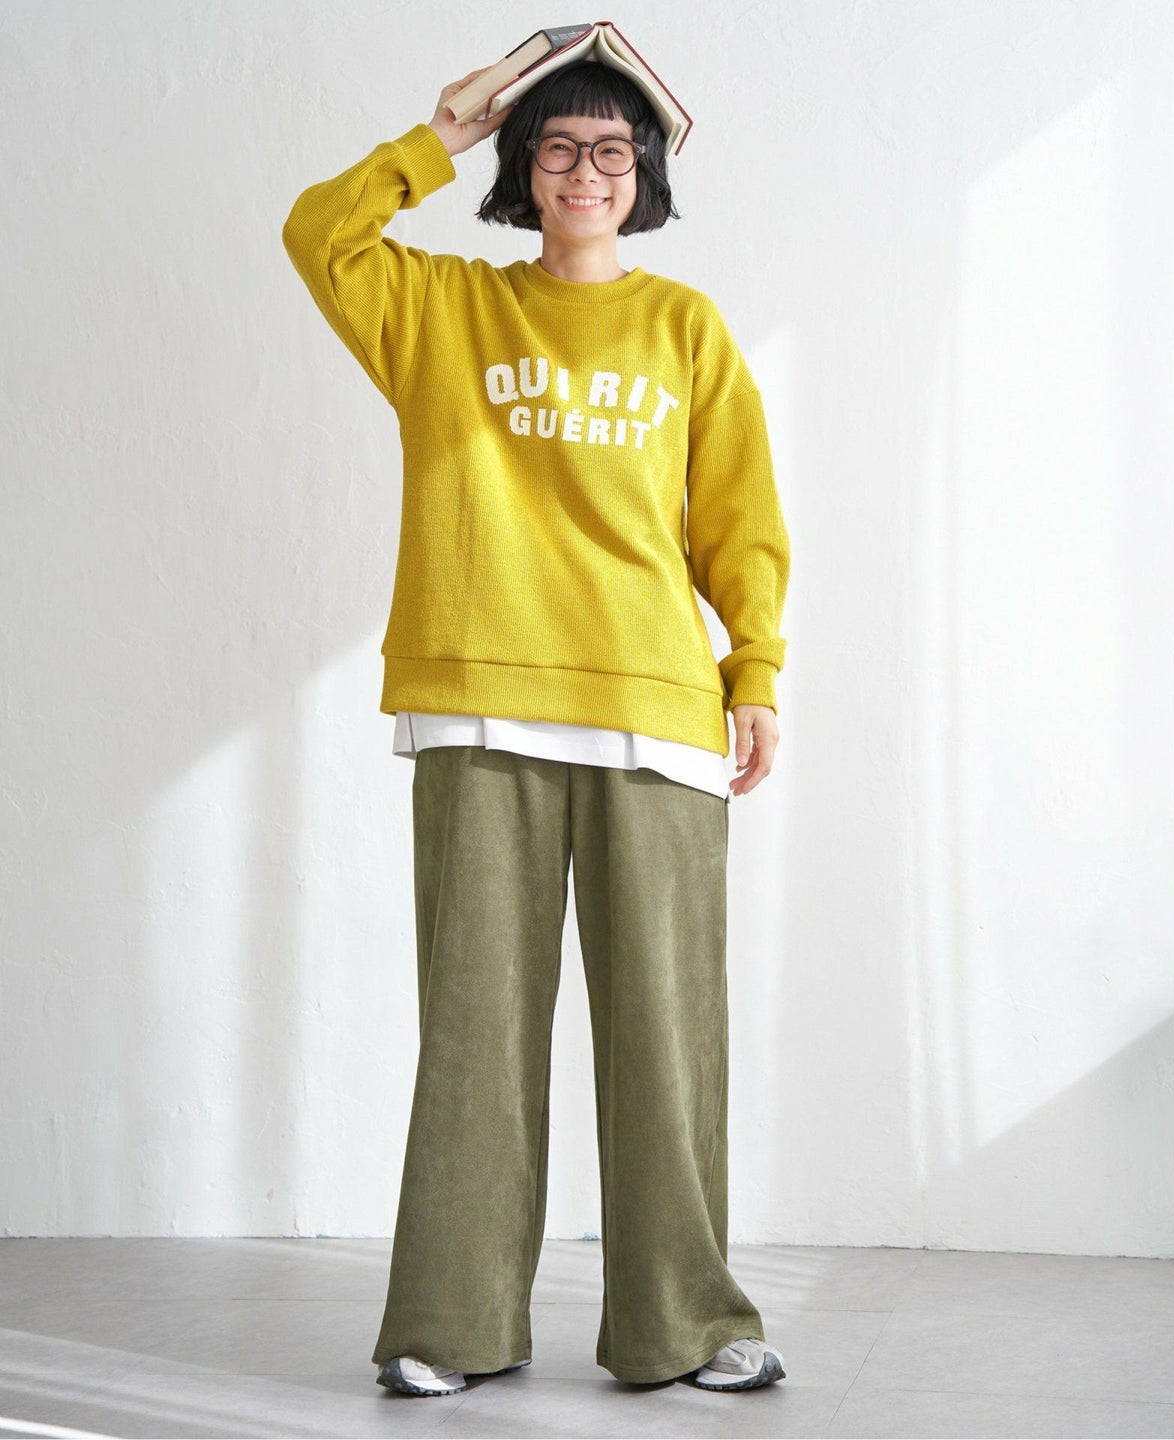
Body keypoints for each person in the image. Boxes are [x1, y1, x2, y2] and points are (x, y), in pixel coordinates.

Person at [282, 56, 790, 1397]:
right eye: (558, 147)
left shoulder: (684, 327)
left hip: (653, 714)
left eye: (613, 152)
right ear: (523, 166)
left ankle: (685, 1326)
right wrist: (437, 135)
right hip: (479, 705)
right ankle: (450, 1327)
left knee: (666, 1039)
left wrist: (754, 669)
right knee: (475, 1037)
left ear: (645, 176)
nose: (584, 172)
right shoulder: (445, 309)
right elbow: (317, 233)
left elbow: (739, 518)